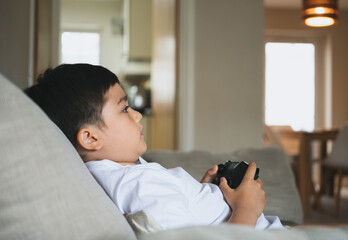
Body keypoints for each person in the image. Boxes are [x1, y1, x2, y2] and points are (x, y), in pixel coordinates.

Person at [25, 63, 284, 230]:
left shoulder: (126, 173)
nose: (136, 115)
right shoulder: (137, 184)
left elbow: (185, 223)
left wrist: (203, 193)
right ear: (91, 139)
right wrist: (246, 210)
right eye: (124, 109)